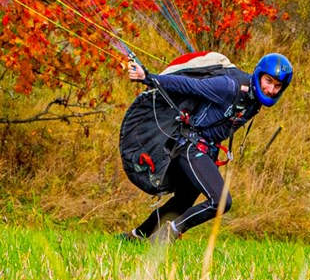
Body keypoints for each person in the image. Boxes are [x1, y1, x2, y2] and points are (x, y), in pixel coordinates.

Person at [120, 52, 293, 244]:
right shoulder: (230, 87)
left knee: (183, 200)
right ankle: (168, 234)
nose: (270, 89)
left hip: (205, 151)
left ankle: (135, 237)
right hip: (190, 147)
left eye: (277, 86)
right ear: (259, 74)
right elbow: (188, 85)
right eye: (268, 81)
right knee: (220, 202)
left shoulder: (254, 99)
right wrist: (149, 77)